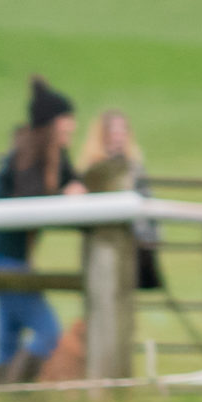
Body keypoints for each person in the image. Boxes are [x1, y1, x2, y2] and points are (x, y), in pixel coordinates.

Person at [0, 77, 87, 385]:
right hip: (1, 257)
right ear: (53, 123)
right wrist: (66, 197)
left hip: (8, 256)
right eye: (67, 119)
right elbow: (31, 200)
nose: (73, 126)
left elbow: (73, 183)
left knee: (9, 336)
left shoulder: (55, 155)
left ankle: (2, 399)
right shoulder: (27, 155)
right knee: (47, 333)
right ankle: (17, 392)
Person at [78, 107, 161, 289]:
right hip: (103, 241)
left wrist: (149, 239)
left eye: (123, 130)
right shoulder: (93, 169)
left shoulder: (135, 168)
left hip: (134, 242)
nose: (119, 136)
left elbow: (148, 203)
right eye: (114, 131)